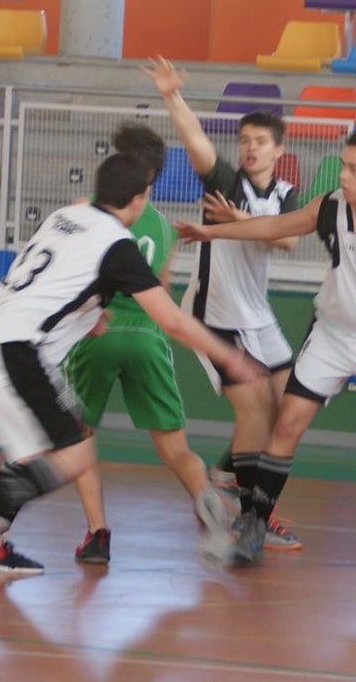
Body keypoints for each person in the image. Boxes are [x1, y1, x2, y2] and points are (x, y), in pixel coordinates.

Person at [0, 152, 265, 576]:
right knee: (74, 455)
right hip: (13, 349)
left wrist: (90, 315)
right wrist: (229, 355)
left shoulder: (66, 216)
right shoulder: (117, 247)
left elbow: (53, 280)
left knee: (39, 449)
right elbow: (174, 321)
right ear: (141, 198)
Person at [177, 130, 356, 575]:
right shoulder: (330, 206)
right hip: (329, 334)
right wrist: (213, 229)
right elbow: (277, 226)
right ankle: (254, 524)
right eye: (343, 166)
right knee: (286, 424)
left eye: (354, 170)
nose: (343, 175)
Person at [143, 56, 303, 551]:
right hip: (215, 317)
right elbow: (197, 145)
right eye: (245, 141)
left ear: (279, 149)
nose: (250, 149)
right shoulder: (226, 185)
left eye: (260, 142)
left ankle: (228, 470)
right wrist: (173, 96)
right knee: (254, 412)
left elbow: (289, 241)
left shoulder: (285, 194)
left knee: (287, 411)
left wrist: (237, 222)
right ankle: (255, 517)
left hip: (258, 316)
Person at [65, 123, 230, 565]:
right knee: (174, 446)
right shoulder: (165, 227)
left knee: (79, 438)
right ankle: (206, 503)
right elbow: (159, 287)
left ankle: (98, 534)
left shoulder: (86, 211)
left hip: (96, 331)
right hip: (148, 336)